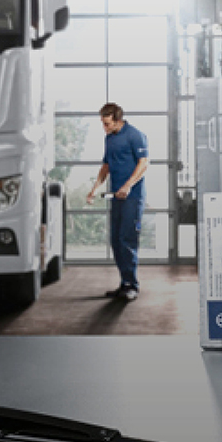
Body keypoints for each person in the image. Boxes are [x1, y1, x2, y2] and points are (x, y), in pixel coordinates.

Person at [85, 102, 149, 302]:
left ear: (118, 119)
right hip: (116, 197)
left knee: (127, 240)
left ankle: (132, 285)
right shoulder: (109, 139)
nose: (104, 128)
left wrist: (128, 186)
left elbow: (143, 163)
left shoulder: (135, 135)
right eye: (103, 124)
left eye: (107, 124)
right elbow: (106, 166)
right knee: (115, 240)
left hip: (133, 197)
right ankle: (124, 282)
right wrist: (94, 188)